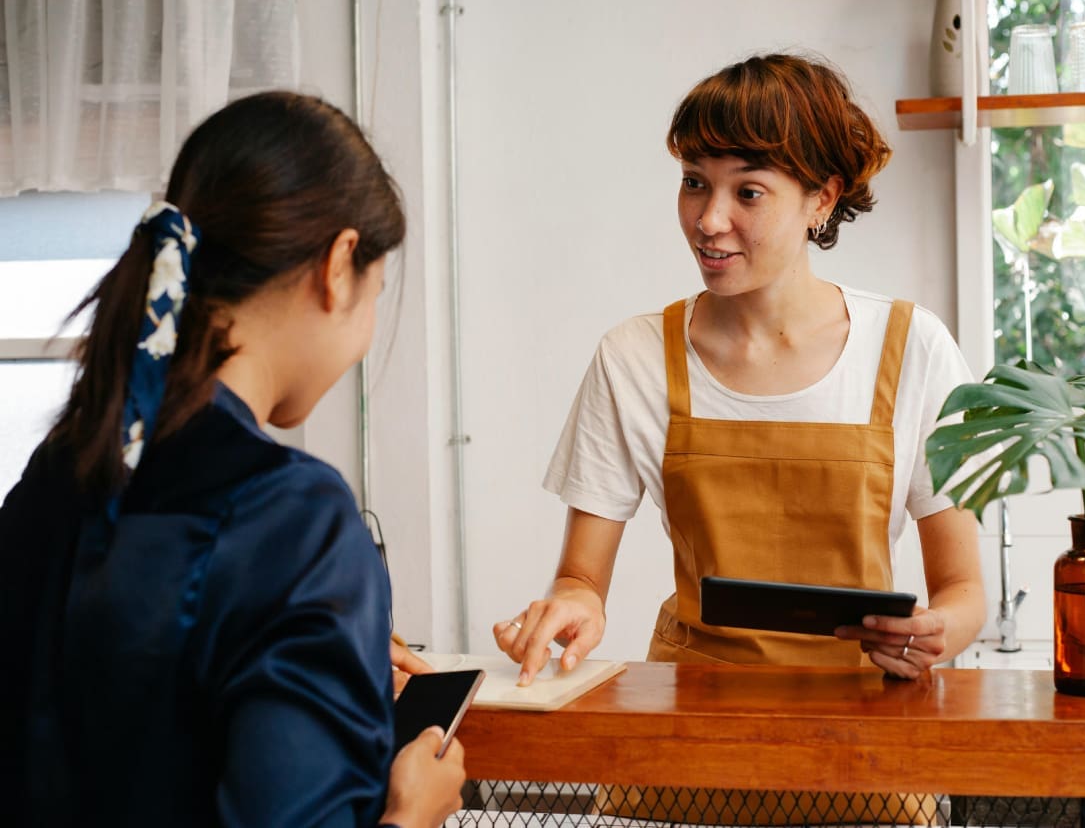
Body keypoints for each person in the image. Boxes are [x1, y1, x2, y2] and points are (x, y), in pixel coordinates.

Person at [494, 53, 986, 825]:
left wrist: (930, 636)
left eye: (746, 191)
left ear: (821, 199)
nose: (708, 219)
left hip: (864, 744)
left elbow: (963, 595)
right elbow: (580, 579)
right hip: (686, 740)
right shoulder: (633, 356)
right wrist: (570, 608)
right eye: (695, 181)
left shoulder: (912, 347)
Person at [0, 91, 465, 828]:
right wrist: (413, 816)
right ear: (340, 265)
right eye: (377, 290)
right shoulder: (297, 520)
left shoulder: (53, 476)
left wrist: (316, 644)